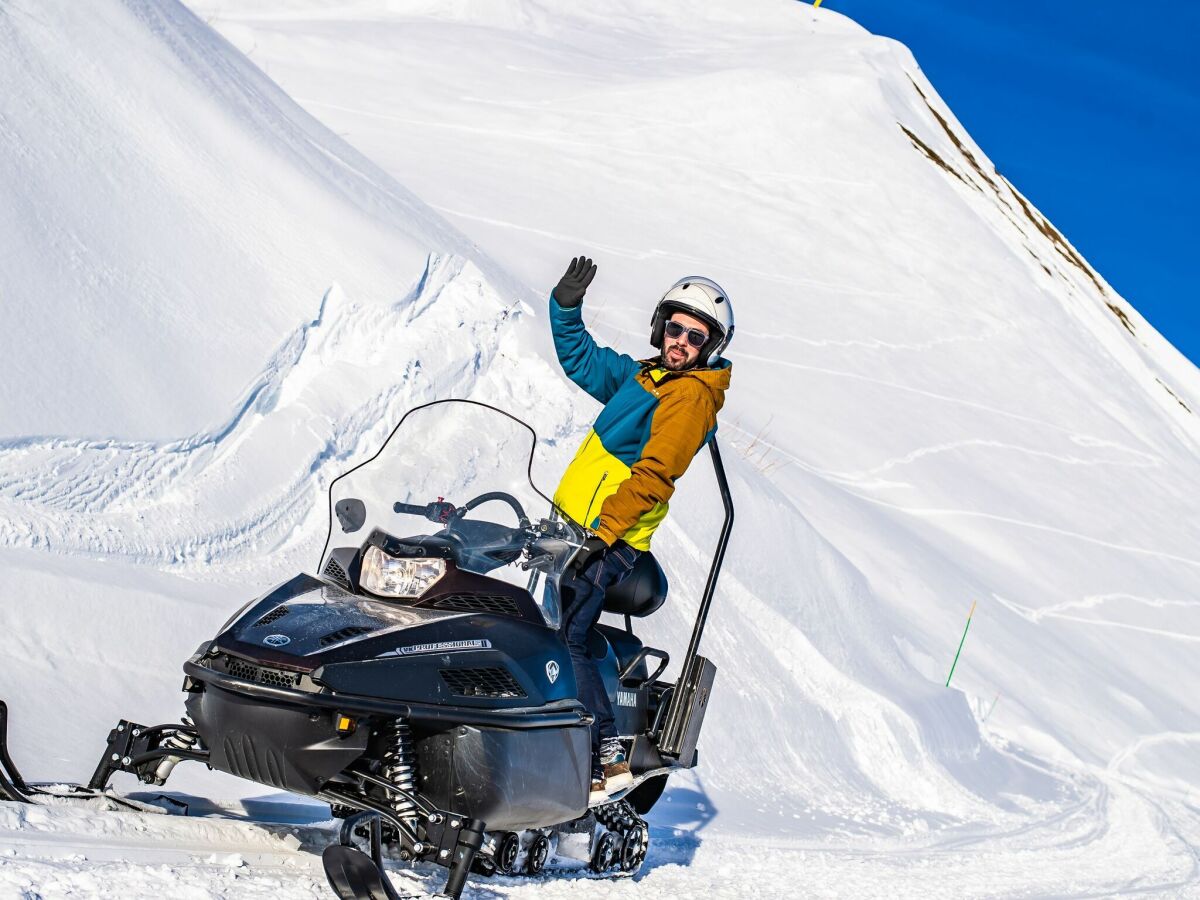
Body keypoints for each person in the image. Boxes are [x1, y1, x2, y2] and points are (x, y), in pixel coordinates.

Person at [548, 255, 734, 802]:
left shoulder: (689, 398)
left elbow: (654, 475)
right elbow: (583, 361)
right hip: (572, 530)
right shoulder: (646, 378)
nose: (680, 342)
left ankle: (605, 758)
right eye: (674, 328)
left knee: (568, 636)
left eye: (694, 337)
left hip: (612, 540)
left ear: (710, 348)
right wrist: (565, 306)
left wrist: (604, 536)